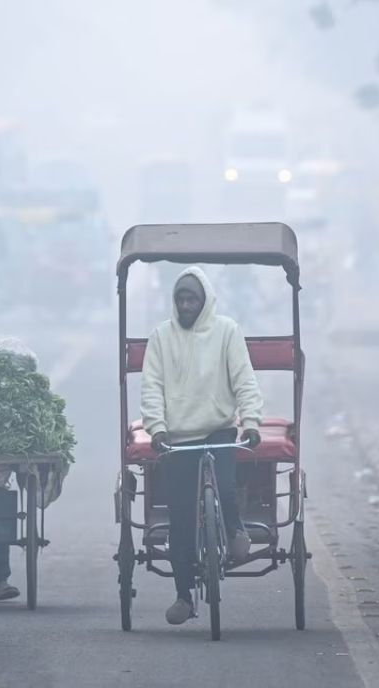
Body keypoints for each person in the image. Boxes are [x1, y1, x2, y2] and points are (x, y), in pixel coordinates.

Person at [140, 267, 264, 626]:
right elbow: (151, 387)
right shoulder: (161, 337)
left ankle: (237, 530)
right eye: (180, 299)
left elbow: (245, 380)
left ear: (205, 300)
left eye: (191, 298)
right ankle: (183, 596)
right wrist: (157, 429)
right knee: (180, 517)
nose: (185, 304)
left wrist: (252, 422)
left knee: (225, 485)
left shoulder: (227, 331)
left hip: (219, 430)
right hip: (177, 438)